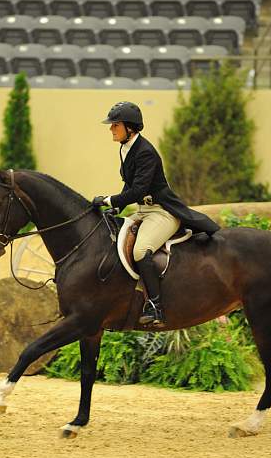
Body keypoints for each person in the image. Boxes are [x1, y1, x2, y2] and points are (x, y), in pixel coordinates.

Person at [93, 101, 220, 326]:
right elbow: (129, 184)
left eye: (115, 125)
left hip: (162, 212)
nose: (111, 129)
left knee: (141, 250)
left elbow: (139, 190)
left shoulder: (145, 152)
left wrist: (108, 199)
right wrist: (117, 207)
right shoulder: (126, 148)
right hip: (143, 210)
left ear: (129, 128)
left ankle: (156, 306)